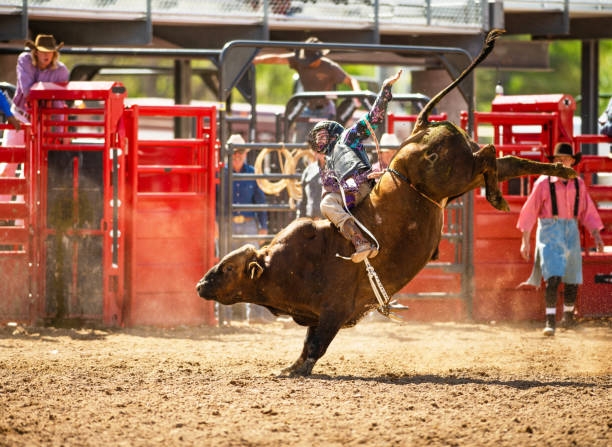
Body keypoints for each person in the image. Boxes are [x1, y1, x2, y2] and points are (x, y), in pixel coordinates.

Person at [308, 70, 402, 263]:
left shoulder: (348, 137)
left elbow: (373, 118)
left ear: (332, 132)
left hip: (363, 186)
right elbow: (329, 189)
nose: (320, 140)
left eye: (323, 135)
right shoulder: (327, 163)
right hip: (348, 195)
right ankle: (358, 240)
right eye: (318, 138)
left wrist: (385, 89)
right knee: (325, 203)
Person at [517, 142, 605, 336]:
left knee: (573, 276)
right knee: (553, 276)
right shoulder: (543, 182)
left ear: (572, 162)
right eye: (559, 159)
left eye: (566, 159)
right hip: (550, 229)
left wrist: (596, 235)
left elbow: (587, 211)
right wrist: (525, 240)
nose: (562, 162)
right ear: (553, 162)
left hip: (571, 228)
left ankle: (568, 318)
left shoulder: (578, 184)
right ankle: (550, 322)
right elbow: (530, 211)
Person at [253, 37, 361, 142]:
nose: (308, 62)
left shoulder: (330, 67)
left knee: (325, 141)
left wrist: (358, 94)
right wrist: (257, 59)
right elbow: (278, 58)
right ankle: (299, 158)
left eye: (311, 60)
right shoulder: (300, 61)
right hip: (307, 107)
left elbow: (351, 80)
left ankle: (325, 157)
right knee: (300, 138)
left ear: (319, 57)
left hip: (325, 109)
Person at [216, 134, 271, 323]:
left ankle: (254, 316)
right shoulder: (220, 174)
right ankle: (224, 316)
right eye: (235, 153)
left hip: (248, 224)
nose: (238, 156)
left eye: (240, 152)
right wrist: (215, 224)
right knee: (226, 269)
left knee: (252, 268)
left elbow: (261, 201)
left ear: (245, 154)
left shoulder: (252, 173)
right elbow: (215, 202)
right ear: (230, 155)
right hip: (227, 224)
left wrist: (263, 227)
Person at [4, 34, 69, 147]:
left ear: (54, 53)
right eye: (43, 51)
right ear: (36, 52)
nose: (46, 55)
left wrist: (60, 131)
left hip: (41, 122)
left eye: (50, 51)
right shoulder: (25, 60)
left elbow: (58, 102)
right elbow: (27, 91)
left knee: (35, 161)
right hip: (20, 116)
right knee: (10, 161)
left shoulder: (61, 71)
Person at [296, 152, 325, 219]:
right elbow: (303, 200)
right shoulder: (309, 170)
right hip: (311, 219)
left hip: (329, 221)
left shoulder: (338, 170)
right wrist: (299, 219)